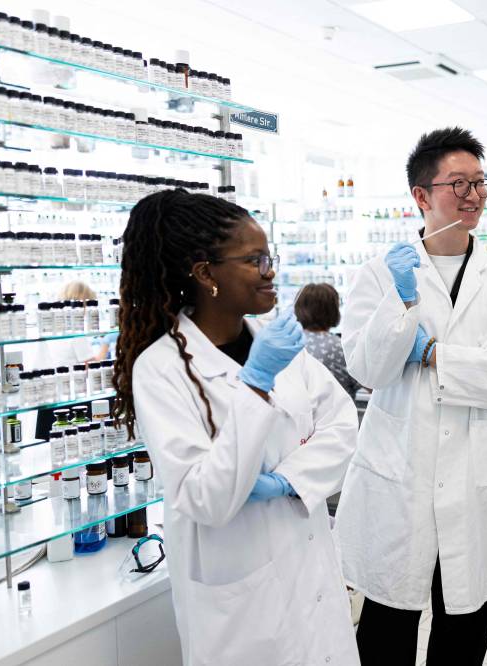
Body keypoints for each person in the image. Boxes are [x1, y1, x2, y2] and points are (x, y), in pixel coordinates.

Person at [113, 190, 360, 666]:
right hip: (242, 602)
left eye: (270, 257)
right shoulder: (161, 369)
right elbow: (206, 496)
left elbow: (340, 421)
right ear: (206, 274)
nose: (271, 270)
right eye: (255, 260)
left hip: (312, 575)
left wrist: (289, 479)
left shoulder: (276, 344)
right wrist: (255, 387)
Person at [336, 127, 487, 665]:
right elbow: (369, 370)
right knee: (384, 635)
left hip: (473, 482)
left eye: (480, 183)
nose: (473, 195)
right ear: (421, 195)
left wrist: (431, 356)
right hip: (397, 481)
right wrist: (400, 307)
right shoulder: (380, 276)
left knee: (463, 639)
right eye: (458, 183)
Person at [294, 283, 361, 399]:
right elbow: (369, 382)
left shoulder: (290, 342)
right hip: (338, 414)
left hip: (299, 414)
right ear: (333, 311)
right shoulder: (340, 347)